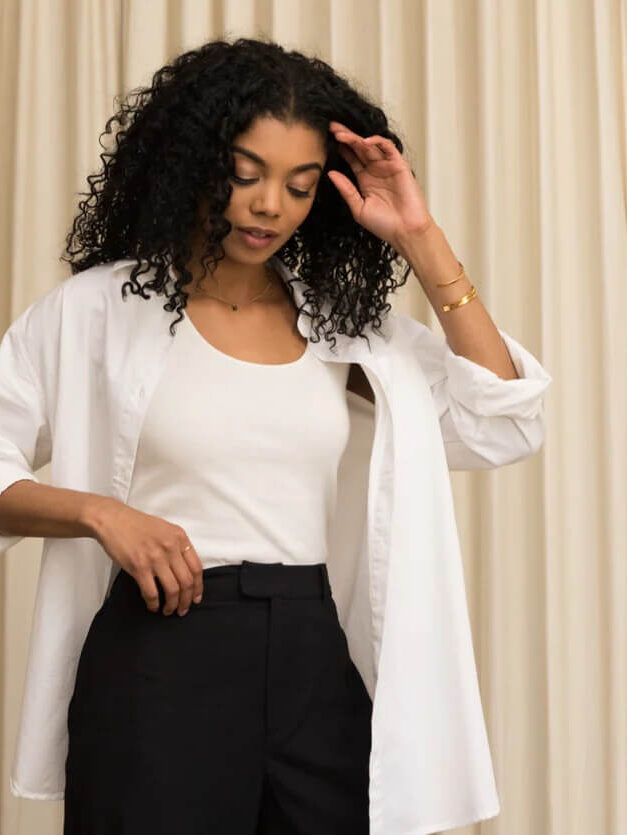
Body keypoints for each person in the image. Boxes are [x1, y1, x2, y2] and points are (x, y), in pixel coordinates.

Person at [0, 36, 553, 834]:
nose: (270, 206)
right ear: (192, 160)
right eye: (246, 173)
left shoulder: (346, 331)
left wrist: (419, 236)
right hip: (161, 653)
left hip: (311, 655)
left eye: (299, 186)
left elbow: (502, 419)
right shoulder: (95, 312)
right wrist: (100, 513)